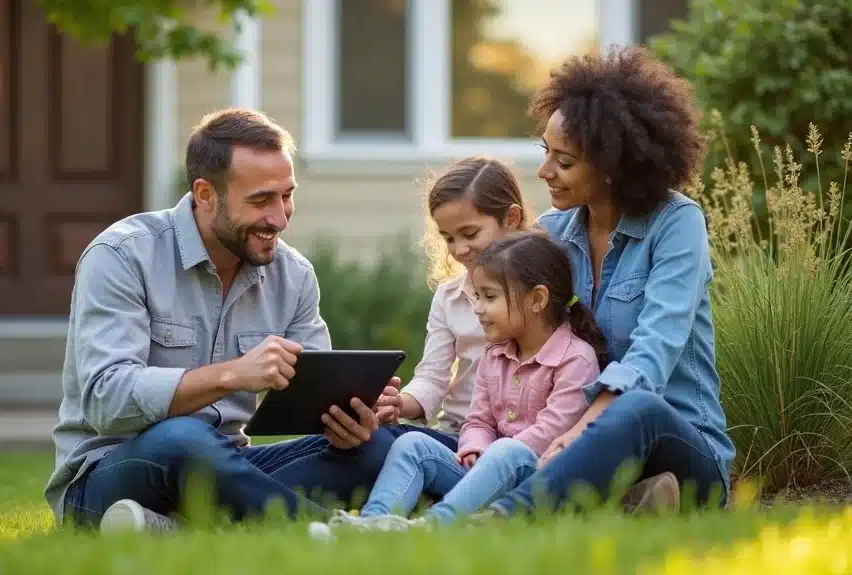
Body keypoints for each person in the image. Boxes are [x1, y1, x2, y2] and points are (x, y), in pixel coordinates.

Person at [43, 108, 402, 534]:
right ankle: (330, 532)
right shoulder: (122, 256)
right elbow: (107, 399)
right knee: (182, 439)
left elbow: (314, 396)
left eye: (287, 195)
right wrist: (233, 374)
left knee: (379, 448)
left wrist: (352, 416)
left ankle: (180, 528)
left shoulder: (295, 275)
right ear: (205, 194)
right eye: (260, 200)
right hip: (112, 474)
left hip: (228, 466)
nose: (280, 217)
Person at [482, 45, 736, 518]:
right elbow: (505, 319)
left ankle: (500, 519)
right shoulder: (553, 236)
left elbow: (655, 350)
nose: (544, 172)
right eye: (545, 153)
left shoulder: (677, 224)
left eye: (564, 160)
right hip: (582, 451)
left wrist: (581, 432)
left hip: (680, 445)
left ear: (612, 165)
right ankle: (627, 502)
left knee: (635, 408)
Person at [309, 232, 607, 537]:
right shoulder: (495, 355)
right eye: (478, 296)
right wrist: (475, 447)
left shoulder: (575, 360)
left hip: (541, 482)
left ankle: (432, 528)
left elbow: (551, 433)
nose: (478, 308)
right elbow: (479, 420)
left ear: (537, 300)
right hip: (488, 470)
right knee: (413, 445)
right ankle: (374, 523)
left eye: (489, 297)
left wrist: (492, 455)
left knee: (508, 451)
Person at [371, 156, 528, 452]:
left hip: (518, 438)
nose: (460, 249)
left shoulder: (538, 291)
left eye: (470, 234)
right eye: (448, 239)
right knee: (375, 440)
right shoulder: (450, 297)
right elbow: (432, 377)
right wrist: (399, 404)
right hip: (456, 434)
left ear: (511, 219)